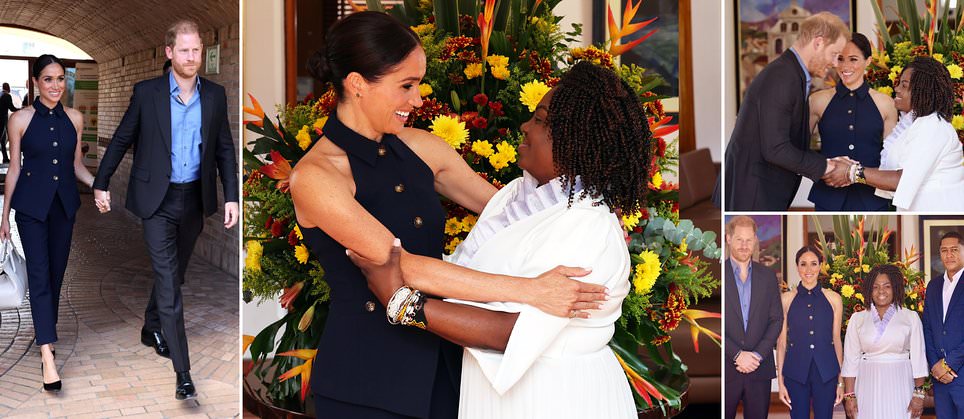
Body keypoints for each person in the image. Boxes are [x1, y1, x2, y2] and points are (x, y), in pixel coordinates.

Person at [289, 12, 607, 418]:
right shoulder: (315, 177)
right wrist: (531, 290)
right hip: (367, 380)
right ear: (357, 84)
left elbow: (515, 214)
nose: (418, 100)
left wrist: (591, 215)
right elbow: (402, 267)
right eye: (406, 86)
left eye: (418, 85)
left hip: (449, 366)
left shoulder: (423, 146)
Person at [347, 61, 646, 419]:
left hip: (555, 398)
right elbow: (470, 277)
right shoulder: (520, 195)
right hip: (502, 392)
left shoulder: (586, 227)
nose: (524, 126)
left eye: (539, 119)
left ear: (571, 138)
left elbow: (510, 331)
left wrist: (400, 303)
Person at [92, 20, 239, 400]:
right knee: (171, 282)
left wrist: (231, 196)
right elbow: (123, 137)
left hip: (194, 199)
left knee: (177, 273)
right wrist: (101, 182)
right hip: (156, 201)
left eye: (197, 50)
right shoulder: (148, 93)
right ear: (170, 53)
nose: (192, 57)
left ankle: (150, 325)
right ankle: (183, 372)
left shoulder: (215, 96)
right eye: (184, 50)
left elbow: (224, 148)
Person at [0, 54, 96, 391]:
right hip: (30, 209)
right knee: (39, 274)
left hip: (64, 208)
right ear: (35, 82)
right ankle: (47, 354)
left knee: (56, 274)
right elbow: (13, 169)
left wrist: (96, 185)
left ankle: (46, 332)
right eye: (48, 79)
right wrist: (4, 216)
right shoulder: (20, 119)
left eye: (60, 79)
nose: (55, 86)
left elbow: (76, 165)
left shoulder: (75, 118)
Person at [724, 12, 852, 211]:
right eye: (834, 54)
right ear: (818, 43)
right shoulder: (782, 77)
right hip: (753, 193)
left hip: (759, 189)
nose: (835, 64)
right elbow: (776, 149)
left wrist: (826, 162)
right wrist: (826, 167)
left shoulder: (792, 73)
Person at [836, 56, 964, 211]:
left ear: (922, 91)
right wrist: (850, 169)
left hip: (940, 209)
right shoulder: (913, 125)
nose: (896, 88)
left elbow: (902, 179)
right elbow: (891, 173)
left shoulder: (933, 127)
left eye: (904, 85)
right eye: (899, 83)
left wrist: (852, 172)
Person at [807, 33, 897, 211]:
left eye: (853, 59)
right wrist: (824, 169)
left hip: (873, 199)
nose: (845, 66)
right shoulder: (817, 100)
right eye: (840, 59)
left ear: (868, 61)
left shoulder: (886, 103)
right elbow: (798, 149)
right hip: (828, 196)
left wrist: (856, 175)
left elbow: (891, 162)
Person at [840, 264, 927, 419]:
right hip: (867, 382)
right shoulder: (857, 319)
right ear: (869, 290)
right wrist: (850, 395)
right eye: (875, 287)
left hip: (900, 381)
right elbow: (850, 360)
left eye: (887, 286)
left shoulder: (910, 317)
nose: (881, 291)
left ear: (895, 288)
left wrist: (919, 394)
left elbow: (918, 358)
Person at [724, 215, 784, 419]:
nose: (744, 245)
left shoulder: (768, 276)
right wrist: (736, 354)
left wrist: (757, 355)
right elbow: (711, 321)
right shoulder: (715, 273)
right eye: (739, 239)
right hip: (725, 367)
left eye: (749, 240)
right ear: (728, 238)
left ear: (755, 241)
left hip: (760, 369)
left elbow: (776, 319)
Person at [776, 246, 843, 419]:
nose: (808, 269)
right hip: (795, 372)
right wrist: (781, 383)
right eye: (803, 264)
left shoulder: (834, 299)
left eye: (813, 264)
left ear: (820, 266)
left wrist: (841, 381)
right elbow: (781, 343)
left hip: (826, 373)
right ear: (797, 266)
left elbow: (836, 340)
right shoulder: (786, 299)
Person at [922, 231, 964, 417]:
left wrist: (949, 364)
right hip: (940, 378)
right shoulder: (933, 286)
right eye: (944, 250)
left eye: (954, 250)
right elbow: (928, 328)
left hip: (960, 373)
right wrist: (935, 367)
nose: (949, 255)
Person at [1, 82, 20, 164]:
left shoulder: (1, 94)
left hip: (2, 119)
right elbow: (12, 108)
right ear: (8, 88)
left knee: (2, 140)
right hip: (2, 120)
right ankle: (5, 158)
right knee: (2, 138)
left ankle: (5, 158)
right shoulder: (7, 96)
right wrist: (21, 109)